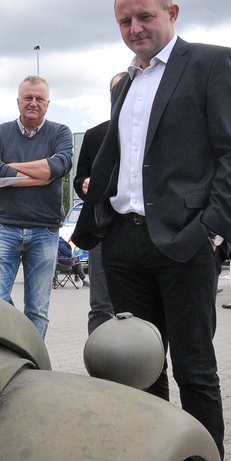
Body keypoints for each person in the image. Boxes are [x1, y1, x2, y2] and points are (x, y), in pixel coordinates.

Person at [71, 0, 231, 461]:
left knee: (194, 369)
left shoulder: (212, 64)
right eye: (124, 22)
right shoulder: (128, 83)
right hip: (124, 243)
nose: (135, 29)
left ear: (172, 12)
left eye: (144, 17)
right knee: (140, 369)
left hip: (185, 242)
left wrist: (211, 232)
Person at [0, 75, 73, 337]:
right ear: (18, 101)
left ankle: (33, 367)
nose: (33, 103)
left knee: (37, 310)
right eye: (28, 98)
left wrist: (8, 173)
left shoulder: (61, 132)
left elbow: (60, 166)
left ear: (48, 103)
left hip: (44, 231)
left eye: (39, 99)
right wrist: (43, 173)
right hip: (3, 227)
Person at [74, 70, 127, 334]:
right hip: (102, 229)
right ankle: (98, 362)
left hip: (139, 229)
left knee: (136, 303)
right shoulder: (95, 135)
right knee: (100, 304)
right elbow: (79, 177)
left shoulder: (153, 132)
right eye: (115, 92)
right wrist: (83, 184)